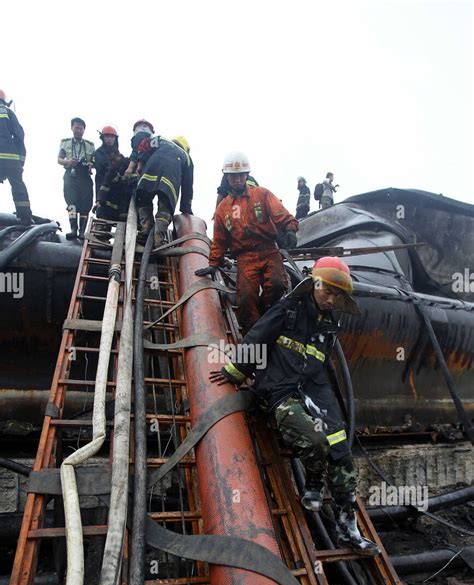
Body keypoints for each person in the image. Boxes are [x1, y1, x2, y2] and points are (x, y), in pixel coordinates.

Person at [210, 256, 379, 556]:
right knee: (314, 440)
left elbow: (321, 364)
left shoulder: (330, 324)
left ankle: (347, 528)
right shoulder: (288, 310)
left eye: (337, 295)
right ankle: (313, 477)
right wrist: (234, 372)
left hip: (314, 389)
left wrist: (329, 405)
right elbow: (257, 339)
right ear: (315, 284)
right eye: (327, 291)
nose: (331, 299)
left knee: (340, 447)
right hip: (280, 389)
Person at [196, 151, 298, 335]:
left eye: (241, 175)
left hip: (268, 250)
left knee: (277, 284)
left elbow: (280, 213)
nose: (237, 180)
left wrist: (290, 228)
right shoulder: (222, 209)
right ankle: (256, 335)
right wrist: (213, 263)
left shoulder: (263, 195)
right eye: (233, 176)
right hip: (245, 257)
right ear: (227, 178)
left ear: (246, 176)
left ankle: (266, 316)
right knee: (245, 300)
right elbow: (219, 239)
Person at [135, 132, 193, 247]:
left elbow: (144, 146)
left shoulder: (160, 139)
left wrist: (140, 165)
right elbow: (188, 187)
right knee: (164, 210)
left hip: (149, 175)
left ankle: (146, 227)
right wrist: (186, 209)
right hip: (169, 183)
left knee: (144, 200)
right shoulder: (187, 157)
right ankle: (158, 237)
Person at [58, 118, 95, 240]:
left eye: (81, 128)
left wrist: (90, 165)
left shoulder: (90, 145)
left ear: (84, 130)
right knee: (71, 202)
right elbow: (59, 159)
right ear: (72, 128)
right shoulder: (65, 142)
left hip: (84, 175)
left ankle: (82, 231)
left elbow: (94, 161)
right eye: (76, 128)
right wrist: (68, 162)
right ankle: (73, 229)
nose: (78, 130)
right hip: (71, 174)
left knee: (85, 204)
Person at [0, 90, 34, 224]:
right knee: (18, 186)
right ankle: (25, 217)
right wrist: (20, 161)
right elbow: (19, 135)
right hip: (11, 159)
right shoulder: (9, 113)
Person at [95, 148, 133, 222]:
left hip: (129, 198)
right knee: (103, 208)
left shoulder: (128, 163)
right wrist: (99, 201)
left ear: (119, 156)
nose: (112, 163)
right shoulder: (111, 170)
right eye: (110, 161)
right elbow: (104, 185)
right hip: (116, 199)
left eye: (114, 160)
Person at [93, 125, 119, 196]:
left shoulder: (117, 153)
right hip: (102, 183)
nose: (110, 139)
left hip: (116, 185)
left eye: (112, 137)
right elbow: (101, 167)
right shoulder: (98, 152)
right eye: (107, 137)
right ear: (103, 138)